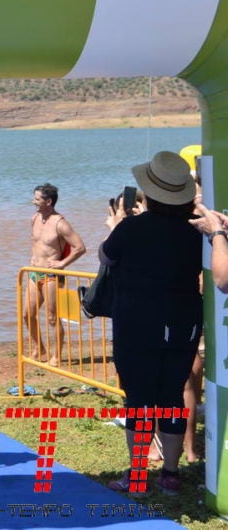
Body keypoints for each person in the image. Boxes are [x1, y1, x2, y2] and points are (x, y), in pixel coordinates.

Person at [101, 151, 202, 494]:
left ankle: (138, 475)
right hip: (183, 322)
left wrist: (117, 225)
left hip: (138, 323)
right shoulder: (196, 232)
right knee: (172, 395)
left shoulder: (132, 227)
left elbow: (106, 256)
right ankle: (171, 475)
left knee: (140, 399)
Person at [26, 183, 86, 367]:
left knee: (52, 318)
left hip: (52, 276)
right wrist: (34, 258)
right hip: (35, 273)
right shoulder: (34, 218)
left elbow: (80, 247)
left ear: (48, 201)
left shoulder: (60, 223)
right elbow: (37, 243)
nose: (33, 202)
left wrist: (62, 263)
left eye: (37, 199)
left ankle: (57, 356)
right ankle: (39, 348)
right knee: (27, 314)